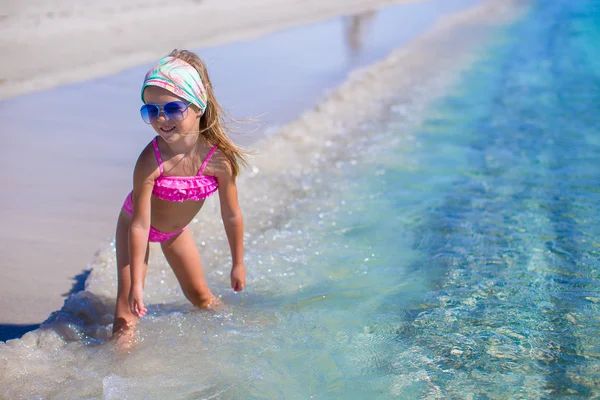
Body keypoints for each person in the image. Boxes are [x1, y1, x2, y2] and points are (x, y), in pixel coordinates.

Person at [112, 49, 248, 337]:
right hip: (135, 226)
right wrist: (137, 284)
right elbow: (139, 224)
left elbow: (232, 214)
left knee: (202, 298)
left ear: (198, 106)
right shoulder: (151, 160)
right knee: (126, 313)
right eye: (151, 111)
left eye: (173, 109)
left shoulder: (218, 160)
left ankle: (237, 338)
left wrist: (238, 263)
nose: (162, 118)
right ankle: (119, 372)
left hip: (175, 232)